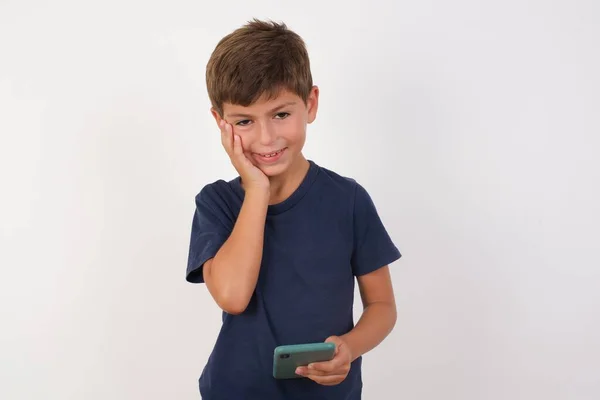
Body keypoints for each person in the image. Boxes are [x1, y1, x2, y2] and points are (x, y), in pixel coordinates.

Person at [185, 18, 402, 399]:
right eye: (244, 121)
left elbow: (382, 306)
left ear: (311, 104)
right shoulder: (216, 202)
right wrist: (256, 189)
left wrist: (349, 348)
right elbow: (233, 296)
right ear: (220, 123)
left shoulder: (348, 200)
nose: (266, 137)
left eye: (281, 114)